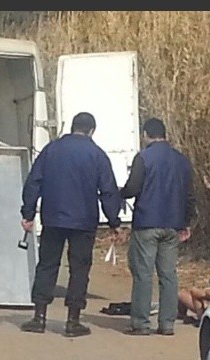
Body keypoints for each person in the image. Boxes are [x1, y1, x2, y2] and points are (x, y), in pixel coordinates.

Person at [19, 112, 122, 337]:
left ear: (72, 127)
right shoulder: (97, 155)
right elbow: (108, 191)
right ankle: (73, 321)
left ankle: (39, 317)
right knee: (79, 269)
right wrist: (114, 221)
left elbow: (33, 182)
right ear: (91, 131)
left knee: (47, 265)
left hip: (53, 218)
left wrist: (28, 213)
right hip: (84, 222)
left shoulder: (51, 150)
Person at [120, 117, 195, 336]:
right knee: (168, 274)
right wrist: (186, 222)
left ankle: (141, 323)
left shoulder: (143, 158)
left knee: (143, 273)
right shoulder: (181, 160)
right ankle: (167, 323)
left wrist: (120, 193)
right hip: (173, 224)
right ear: (165, 134)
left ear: (145, 134)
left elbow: (133, 188)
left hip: (147, 223)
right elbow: (190, 195)